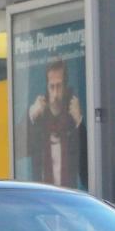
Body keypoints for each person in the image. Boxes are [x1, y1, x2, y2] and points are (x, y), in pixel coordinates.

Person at [26, 57, 86, 190]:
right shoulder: (39, 118)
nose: (55, 94)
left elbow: (86, 172)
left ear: (65, 86)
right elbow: (20, 149)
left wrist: (79, 122)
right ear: (46, 87)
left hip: (70, 197)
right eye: (51, 87)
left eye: (59, 86)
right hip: (42, 198)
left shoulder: (73, 119)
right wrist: (31, 115)